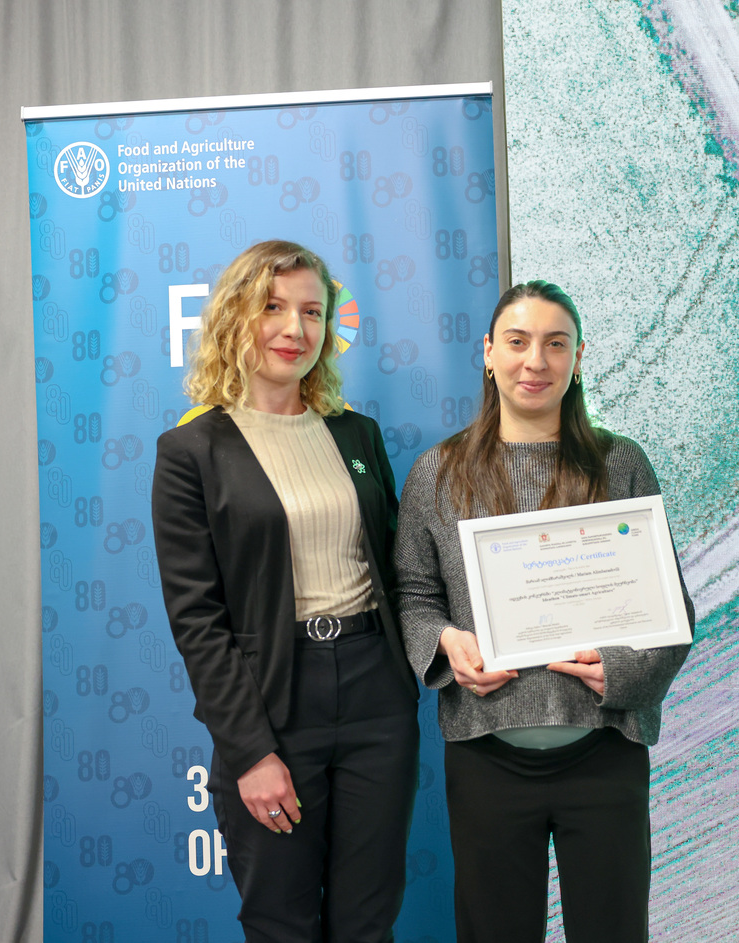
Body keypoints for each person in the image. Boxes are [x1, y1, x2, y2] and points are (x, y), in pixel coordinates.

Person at [394, 280, 693, 943]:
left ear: (578, 358)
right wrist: (444, 642)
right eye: (518, 341)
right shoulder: (436, 473)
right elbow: (412, 595)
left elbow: (672, 608)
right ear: (488, 353)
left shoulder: (620, 463)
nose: (535, 361)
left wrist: (622, 670)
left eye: (555, 344)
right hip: (486, 759)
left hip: (604, 753)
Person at [151, 240, 419, 943]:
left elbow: (398, 570)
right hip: (274, 700)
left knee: (368, 922)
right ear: (234, 316)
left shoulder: (356, 433)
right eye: (272, 307)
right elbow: (197, 619)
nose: (294, 329)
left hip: (376, 695)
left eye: (312, 311)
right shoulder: (191, 452)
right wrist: (250, 751)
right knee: (281, 924)